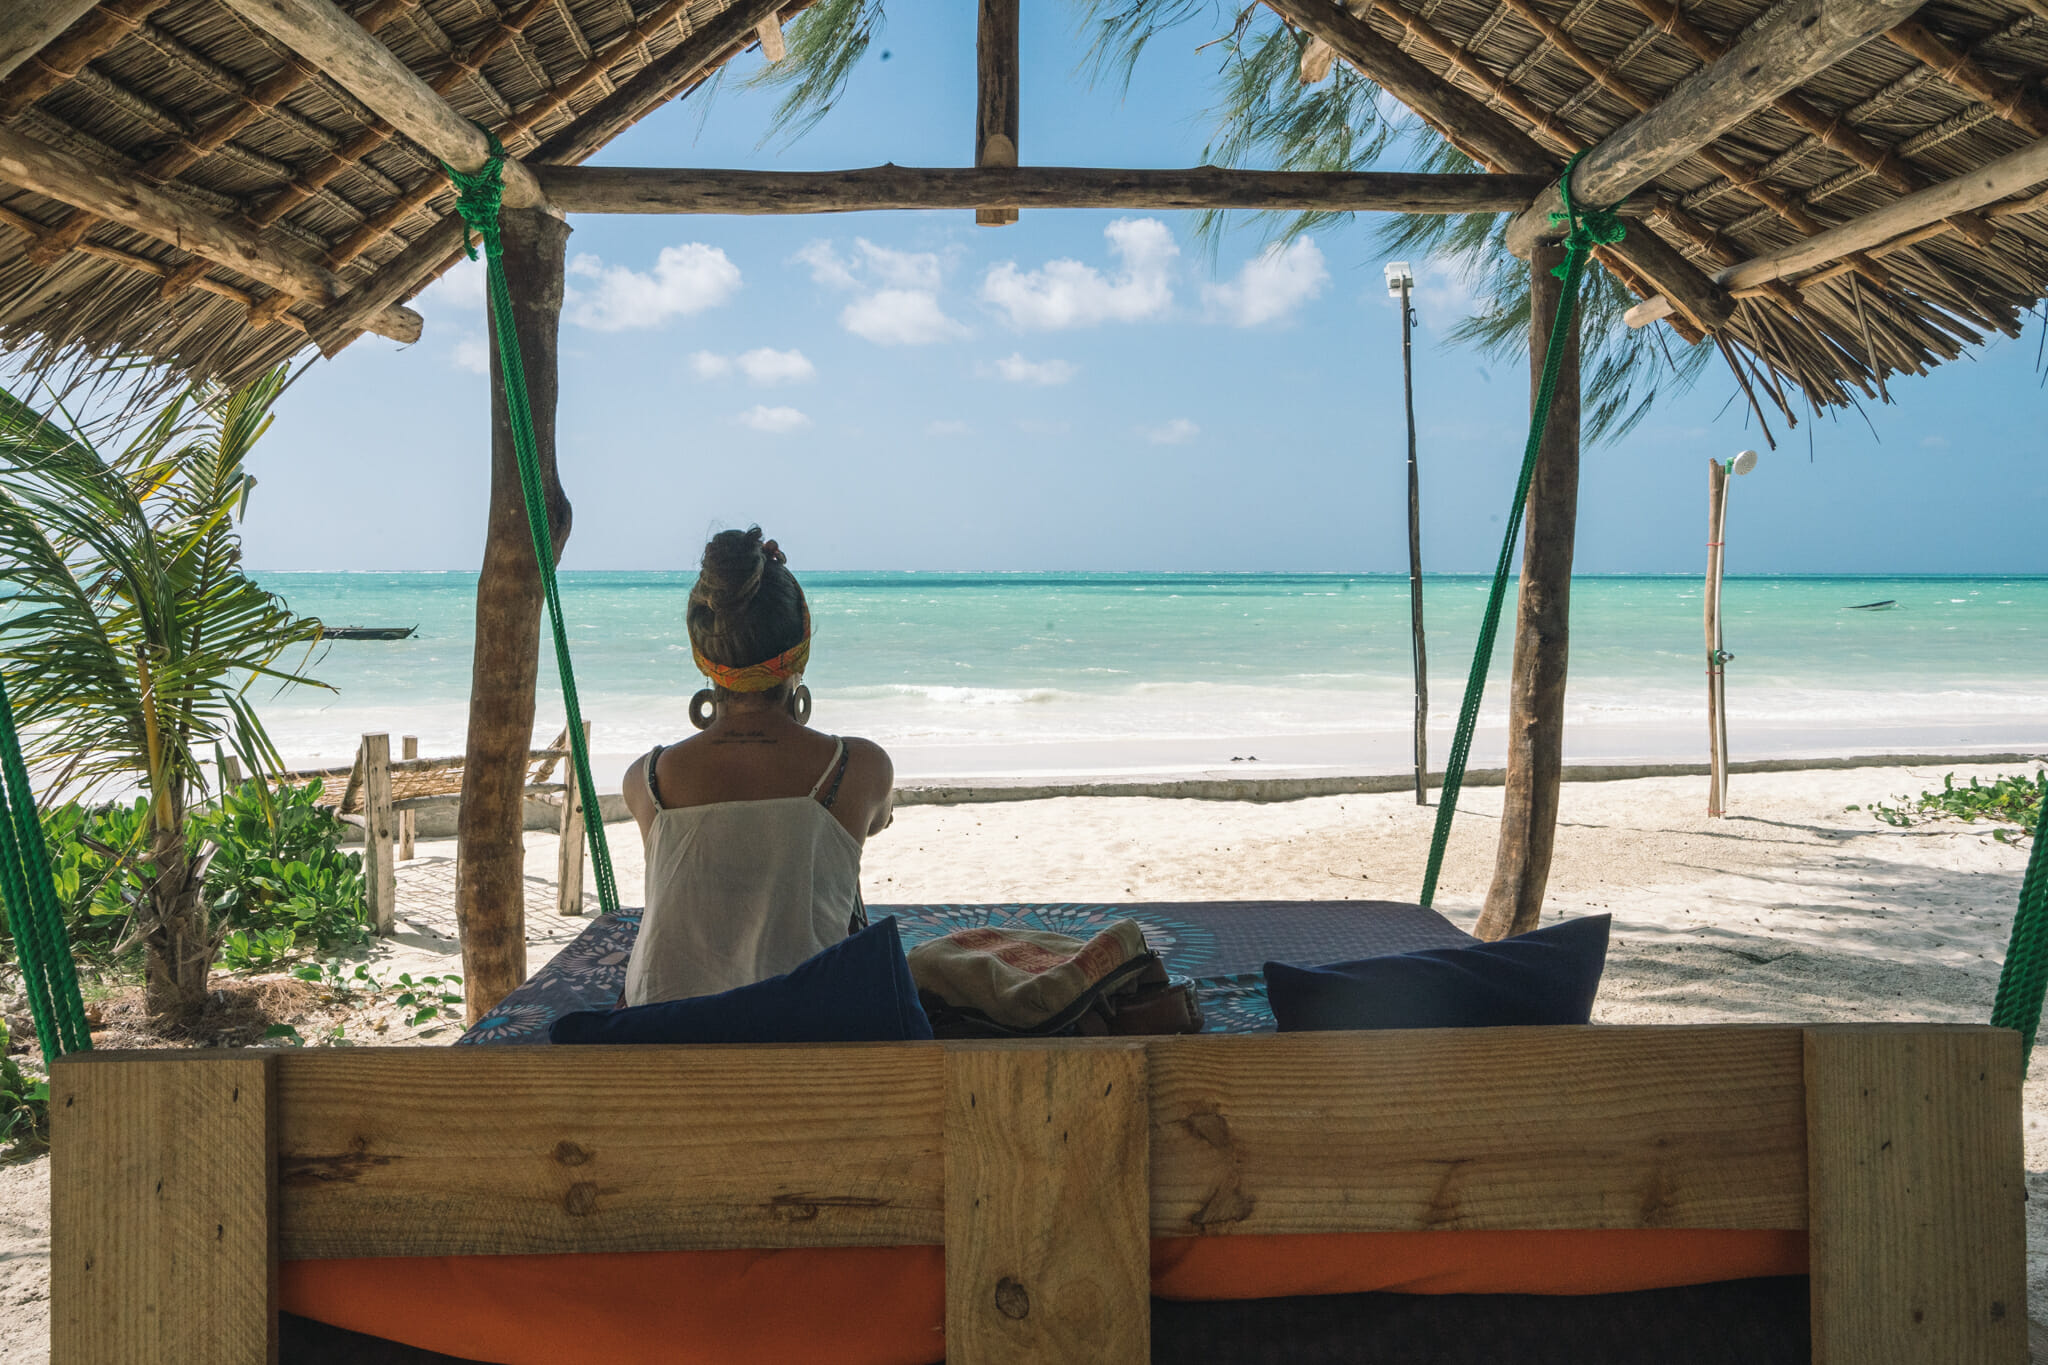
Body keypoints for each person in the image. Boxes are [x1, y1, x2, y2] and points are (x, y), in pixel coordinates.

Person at [619, 527, 894, 1006]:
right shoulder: (858, 767)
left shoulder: (648, 780)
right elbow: (879, 819)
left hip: (662, 1025)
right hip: (807, 1023)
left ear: (701, 653)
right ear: (802, 642)